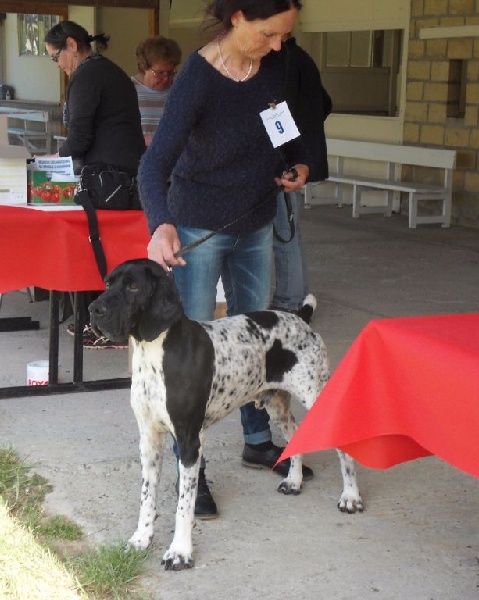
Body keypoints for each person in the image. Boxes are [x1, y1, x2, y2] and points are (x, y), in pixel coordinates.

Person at [138, 0, 312, 519]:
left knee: (255, 340)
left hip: (256, 219)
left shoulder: (272, 65)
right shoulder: (197, 78)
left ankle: (257, 440)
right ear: (237, 17)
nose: (277, 46)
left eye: (284, 36)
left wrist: (297, 160)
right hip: (200, 224)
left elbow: (280, 125)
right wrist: (161, 223)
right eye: (269, 33)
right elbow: (154, 163)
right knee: (193, 351)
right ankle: (190, 469)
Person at [44, 21, 146, 349]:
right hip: (125, 177)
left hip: (107, 181)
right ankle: (108, 324)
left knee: (91, 252)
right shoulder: (109, 70)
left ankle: (101, 325)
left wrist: (49, 160)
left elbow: (79, 139)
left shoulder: (87, 76)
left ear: (72, 45)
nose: (57, 64)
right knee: (116, 255)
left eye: (56, 56)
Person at [270, 36, 332, 317]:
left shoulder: (281, 61)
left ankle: (289, 299)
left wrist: (292, 148)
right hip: (300, 155)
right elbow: (326, 103)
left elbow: (274, 111)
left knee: (285, 232)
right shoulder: (302, 58)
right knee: (290, 231)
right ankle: (297, 293)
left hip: (288, 160)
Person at [131, 36, 182, 146]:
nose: (166, 78)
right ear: (144, 67)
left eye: (170, 73)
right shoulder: (128, 90)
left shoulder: (178, 90)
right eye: (160, 73)